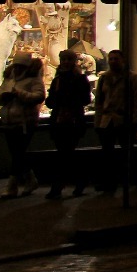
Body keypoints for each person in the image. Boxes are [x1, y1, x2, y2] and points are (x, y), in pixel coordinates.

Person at [44, 49, 92, 199]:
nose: (65, 62)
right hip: (59, 120)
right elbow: (51, 101)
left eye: (68, 59)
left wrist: (67, 98)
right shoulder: (57, 79)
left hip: (73, 120)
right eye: (63, 59)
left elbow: (85, 99)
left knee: (65, 153)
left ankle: (59, 186)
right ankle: (77, 182)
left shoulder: (79, 79)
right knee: (66, 154)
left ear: (73, 61)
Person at [0, 53, 46, 198]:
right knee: (17, 153)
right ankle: (31, 180)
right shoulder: (9, 78)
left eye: (20, 67)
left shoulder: (33, 79)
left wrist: (19, 93)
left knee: (18, 153)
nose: (17, 69)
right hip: (9, 120)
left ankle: (12, 185)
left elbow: (39, 96)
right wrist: (2, 97)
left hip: (25, 121)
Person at [93, 49, 137, 194]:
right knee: (107, 153)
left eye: (116, 59)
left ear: (123, 60)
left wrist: (135, 119)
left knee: (125, 152)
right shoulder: (104, 78)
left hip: (123, 120)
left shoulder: (132, 77)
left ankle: (126, 181)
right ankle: (108, 183)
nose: (113, 61)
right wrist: (98, 121)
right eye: (111, 59)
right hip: (107, 120)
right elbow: (99, 102)